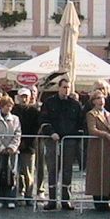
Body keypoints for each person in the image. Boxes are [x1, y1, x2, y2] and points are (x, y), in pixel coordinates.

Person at [39, 78, 83, 211]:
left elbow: (80, 124)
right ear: (59, 87)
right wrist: (51, 132)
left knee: (67, 171)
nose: (66, 90)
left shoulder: (75, 105)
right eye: (64, 87)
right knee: (52, 170)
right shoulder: (49, 102)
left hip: (69, 142)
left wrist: (74, 137)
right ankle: (51, 200)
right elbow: (43, 120)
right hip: (53, 140)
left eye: (68, 87)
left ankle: (65, 200)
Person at [85, 90, 110, 211]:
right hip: (97, 148)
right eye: (98, 98)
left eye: (102, 98)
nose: (101, 101)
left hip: (109, 147)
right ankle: (98, 200)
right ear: (93, 101)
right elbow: (92, 129)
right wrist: (105, 135)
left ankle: (106, 198)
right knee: (98, 173)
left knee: (109, 174)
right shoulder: (91, 114)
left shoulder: (109, 114)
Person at [0, 96, 21, 209]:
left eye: (10, 106)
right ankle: (0, 198)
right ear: (1, 106)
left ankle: (11, 198)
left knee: (12, 174)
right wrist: (1, 147)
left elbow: (18, 133)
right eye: (7, 106)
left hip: (12, 151)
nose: (9, 108)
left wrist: (12, 147)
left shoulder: (15, 119)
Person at [12, 87, 41, 203]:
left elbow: (35, 129)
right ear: (18, 98)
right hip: (15, 144)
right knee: (16, 172)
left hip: (29, 146)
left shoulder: (34, 112)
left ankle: (29, 195)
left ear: (29, 98)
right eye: (22, 97)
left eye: (26, 97)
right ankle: (19, 192)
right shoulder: (13, 110)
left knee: (28, 172)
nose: (24, 99)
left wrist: (26, 142)